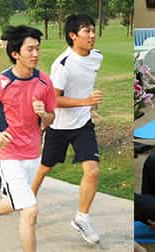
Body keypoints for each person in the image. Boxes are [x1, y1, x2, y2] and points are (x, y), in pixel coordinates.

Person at [0, 25, 57, 252]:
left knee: (19, 201)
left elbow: (51, 119)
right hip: (8, 154)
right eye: (30, 49)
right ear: (15, 53)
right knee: (30, 210)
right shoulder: (0, 83)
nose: (36, 54)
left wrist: (43, 114)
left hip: (33, 152)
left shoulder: (44, 82)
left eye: (37, 49)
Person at [29, 14, 104, 245]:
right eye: (86, 31)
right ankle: (26, 202)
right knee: (44, 168)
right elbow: (54, 100)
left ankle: (82, 218)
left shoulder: (97, 57)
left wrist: (90, 108)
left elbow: (86, 84)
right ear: (73, 36)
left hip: (82, 124)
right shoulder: (62, 65)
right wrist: (86, 102)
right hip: (59, 126)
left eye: (93, 30)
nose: (92, 35)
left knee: (92, 170)